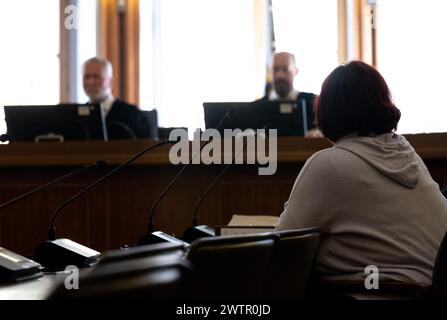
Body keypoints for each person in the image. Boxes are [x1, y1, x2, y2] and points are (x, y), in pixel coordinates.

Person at [275, 61, 447, 289]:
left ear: (327, 111)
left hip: (382, 294)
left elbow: (281, 249)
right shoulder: (407, 154)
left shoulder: (329, 164)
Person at [82, 57, 151, 140]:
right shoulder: (76, 118)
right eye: (87, 77)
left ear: (110, 82)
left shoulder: (132, 115)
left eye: (96, 77)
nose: (90, 82)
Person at [259, 52, 322, 138]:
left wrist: (318, 133)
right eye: (275, 69)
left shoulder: (313, 103)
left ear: (295, 71)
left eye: (286, 69)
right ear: (269, 72)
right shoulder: (258, 106)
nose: (280, 75)